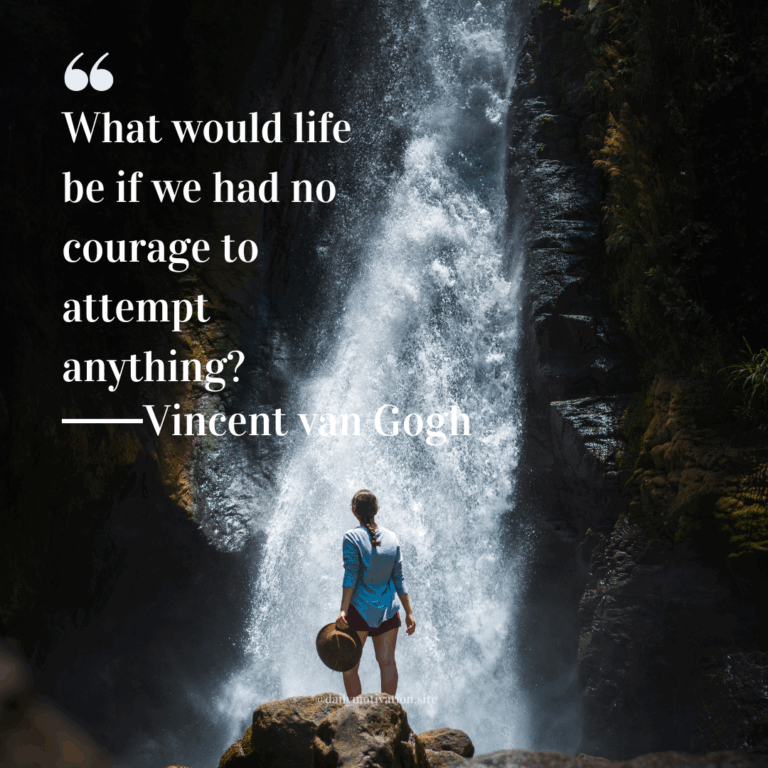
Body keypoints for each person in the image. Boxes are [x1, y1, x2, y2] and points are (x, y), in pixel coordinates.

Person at [335, 489, 415, 698]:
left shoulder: (351, 537)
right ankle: (388, 716)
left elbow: (350, 576)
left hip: (359, 611)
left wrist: (343, 610)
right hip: (388, 611)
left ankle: (356, 714)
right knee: (387, 663)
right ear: (376, 509)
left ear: (355, 512)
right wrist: (409, 613)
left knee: (350, 666)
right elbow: (399, 578)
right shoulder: (392, 537)